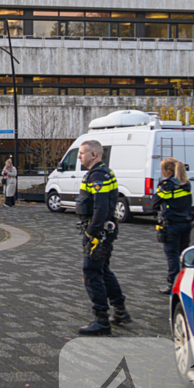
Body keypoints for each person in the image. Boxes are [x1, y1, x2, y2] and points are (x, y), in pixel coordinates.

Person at [75, 139, 130, 336]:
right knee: (104, 271)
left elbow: (101, 208)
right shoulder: (103, 172)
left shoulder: (97, 175)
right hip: (104, 232)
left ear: (94, 155)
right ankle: (120, 310)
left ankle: (101, 320)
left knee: (91, 273)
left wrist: (91, 232)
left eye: (82, 153)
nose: (79, 156)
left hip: (98, 234)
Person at [153, 157, 193, 295]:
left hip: (171, 225)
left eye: (162, 169)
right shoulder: (186, 183)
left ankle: (173, 285)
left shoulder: (167, 186)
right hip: (186, 223)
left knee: (172, 256)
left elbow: (155, 202)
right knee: (184, 255)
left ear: (167, 171)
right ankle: (186, 283)